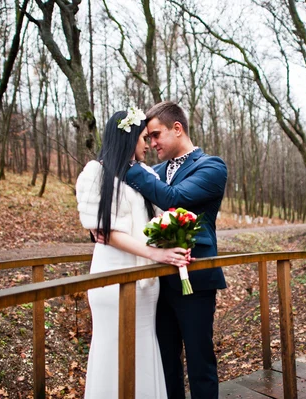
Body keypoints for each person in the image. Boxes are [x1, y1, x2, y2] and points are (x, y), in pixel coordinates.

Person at [76, 107, 191, 399]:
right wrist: (156, 256)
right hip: (111, 277)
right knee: (112, 345)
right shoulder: (96, 173)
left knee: (143, 344)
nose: (147, 144)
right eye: (142, 137)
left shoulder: (147, 174)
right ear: (127, 139)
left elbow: (155, 220)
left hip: (145, 283)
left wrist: (172, 241)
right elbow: (107, 233)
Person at [125, 101, 228, 399]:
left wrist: (130, 166)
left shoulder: (211, 166)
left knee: (199, 362)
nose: (151, 142)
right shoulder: (152, 170)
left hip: (195, 278)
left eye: (156, 135)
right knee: (166, 363)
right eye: (147, 138)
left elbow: (175, 197)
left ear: (178, 128)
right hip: (156, 281)